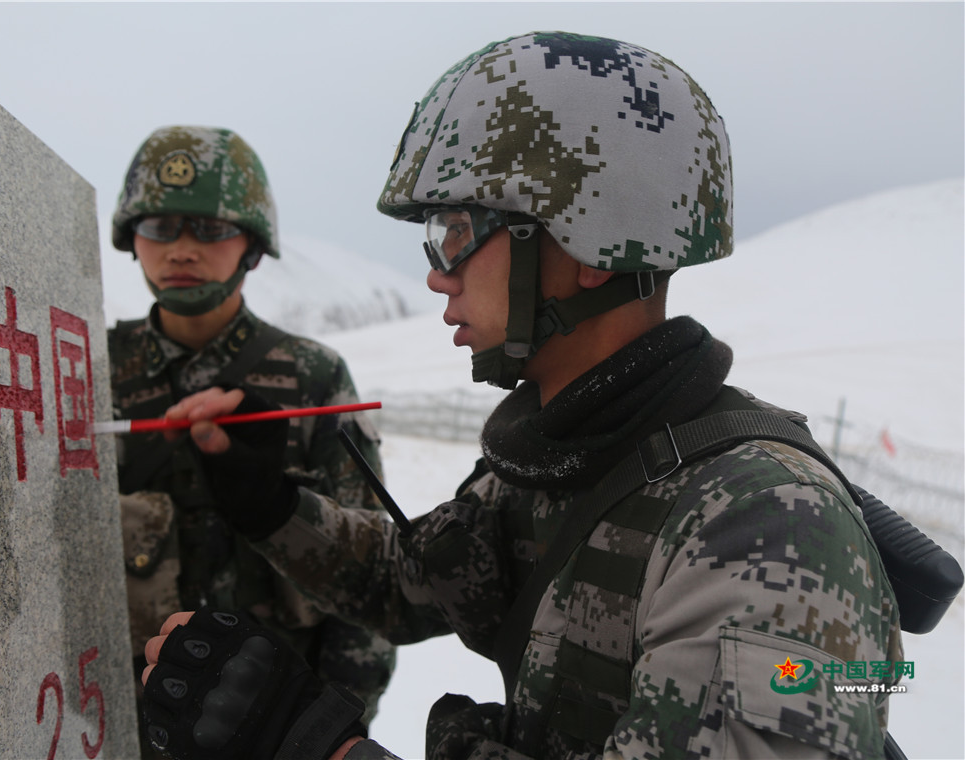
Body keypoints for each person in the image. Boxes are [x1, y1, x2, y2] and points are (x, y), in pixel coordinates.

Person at [137, 36, 903, 760]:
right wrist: (265, 501)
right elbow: (405, 582)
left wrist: (321, 747)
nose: (438, 273)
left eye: (457, 230)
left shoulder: (768, 528)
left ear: (593, 246)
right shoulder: (559, 458)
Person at [106, 125, 396, 752]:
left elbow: (371, 582)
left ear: (253, 246)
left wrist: (323, 737)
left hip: (270, 731)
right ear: (132, 239)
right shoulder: (93, 369)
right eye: (159, 228)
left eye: (209, 229)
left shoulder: (311, 375)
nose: (181, 250)